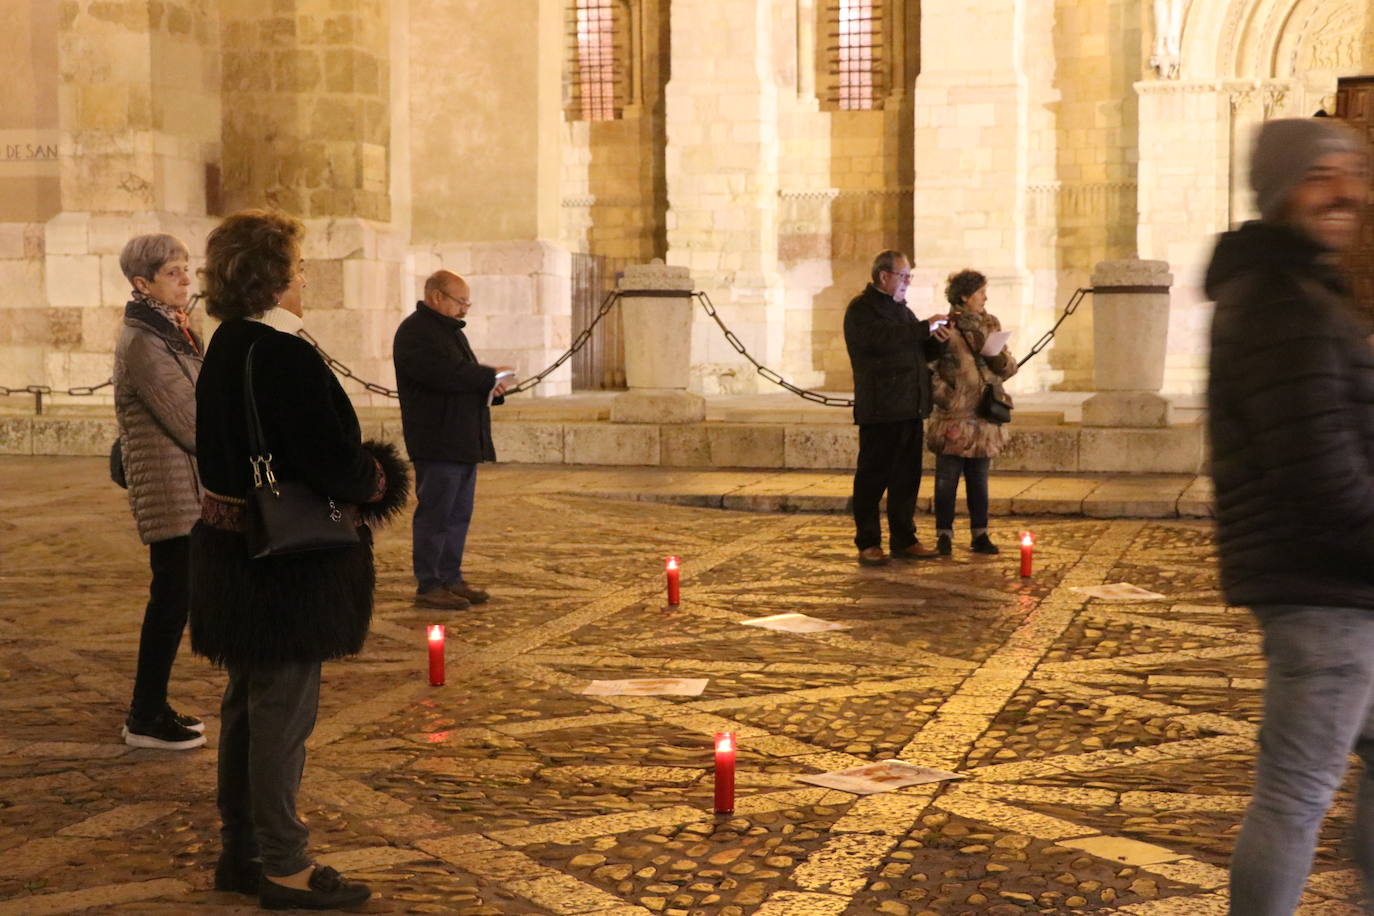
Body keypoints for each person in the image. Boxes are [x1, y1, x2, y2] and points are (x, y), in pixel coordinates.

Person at [188, 210, 408, 910]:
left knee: (248, 706)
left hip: (233, 551)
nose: (305, 277)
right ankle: (284, 863)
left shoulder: (227, 344)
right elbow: (326, 458)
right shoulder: (283, 352)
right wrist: (376, 479)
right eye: (298, 266)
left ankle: (241, 850)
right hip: (286, 564)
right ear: (274, 279)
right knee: (281, 712)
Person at [1206, 118, 1371, 916]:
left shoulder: (1300, 288)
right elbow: (1320, 475)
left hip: (1343, 587)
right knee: (1296, 794)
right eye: (1319, 175)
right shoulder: (1281, 302)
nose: (1344, 190)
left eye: (1351, 171)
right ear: (1277, 193)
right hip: (1325, 591)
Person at [112, 233, 206, 751]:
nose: (186, 278)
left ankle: (150, 706)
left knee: (176, 597)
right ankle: (145, 715)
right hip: (169, 490)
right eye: (174, 271)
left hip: (185, 484)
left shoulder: (175, 332)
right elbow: (189, 420)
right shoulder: (145, 341)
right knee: (170, 599)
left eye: (186, 268)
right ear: (142, 283)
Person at [393, 269, 513, 609]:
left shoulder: (448, 332)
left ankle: (451, 577)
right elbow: (445, 375)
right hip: (438, 440)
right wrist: (488, 375)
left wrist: (493, 387)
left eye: (467, 303)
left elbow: (461, 377)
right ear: (436, 297)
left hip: (459, 440)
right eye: (461, 302)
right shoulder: (416, 332)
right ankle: (430, 583)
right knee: (436, 514)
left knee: (458, 514)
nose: (464, 310)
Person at [844, 249, 952, 567]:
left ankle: (904, 538)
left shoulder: (901, 311)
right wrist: (923, 327)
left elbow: (915, 350)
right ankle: (868, 542)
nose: (907, 282)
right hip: (881, 410)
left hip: (909, 408)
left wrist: (938, 339)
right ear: (884, 276)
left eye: (908, 276)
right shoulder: (862, 309)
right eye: (904, 276)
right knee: (873, 478)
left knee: (907, 479)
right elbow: (881, 340)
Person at [926, 270, 1018, 557]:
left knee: (979, 478)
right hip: (954, 416)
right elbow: (929, 368)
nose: (985, 297)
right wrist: (946, 397)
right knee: (946, 478)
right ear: (964, 296)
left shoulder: (991, 324)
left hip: (984, 415)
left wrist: (997, 355)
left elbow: (1008, 367)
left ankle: (980, 534)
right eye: (980, 292)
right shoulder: (944, 326)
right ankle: (944, 534)